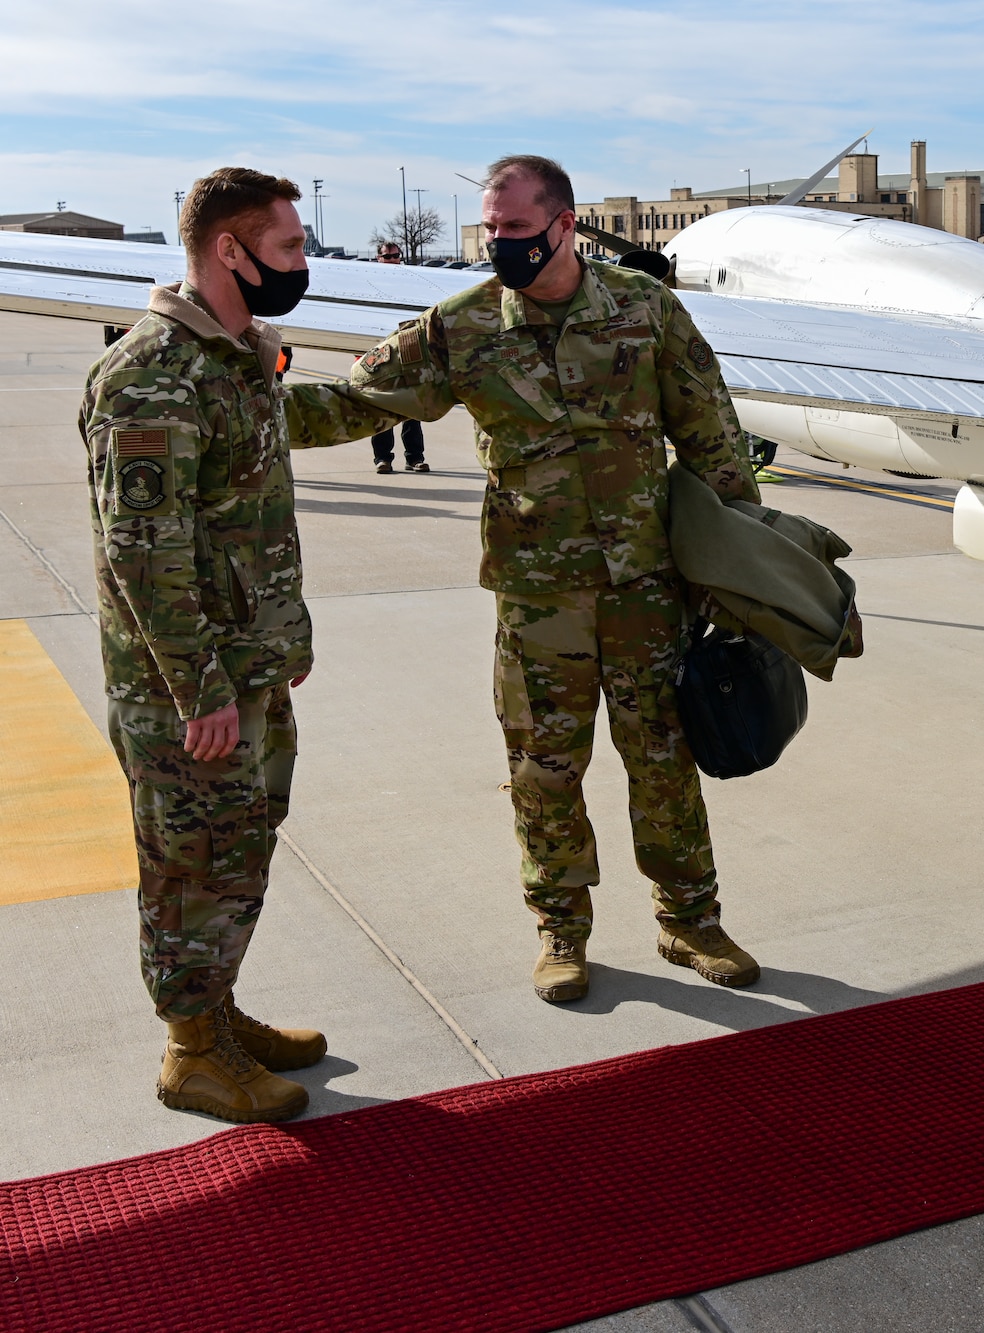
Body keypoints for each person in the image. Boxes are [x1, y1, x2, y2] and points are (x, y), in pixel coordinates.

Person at [298, 155, 765, 1005]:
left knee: (663, 758)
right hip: (538, 595)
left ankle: (689, 917)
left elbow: (713, 436)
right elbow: (357, 403)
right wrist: (233, 404)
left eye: (514, 228)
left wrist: (741, 567)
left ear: (563, 222)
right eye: (491, 229)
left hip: (648, 587)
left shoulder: (644, 309)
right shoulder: (463, 325)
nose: (499, 244)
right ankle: (560, 928)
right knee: (543, 767)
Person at [80, 168, 377, 1122]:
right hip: (188, 691)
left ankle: (214, 1009)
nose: (304, 261)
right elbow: (145, 558)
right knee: (190, 861)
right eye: (290, 246)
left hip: (246, 668)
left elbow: (264, 475)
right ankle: (190, 1052)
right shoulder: (152, 375)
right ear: (228, 251)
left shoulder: (237, 355)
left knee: (236, 852)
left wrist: (274, 646)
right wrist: (201, 687)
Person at [366, 243, 428, 474]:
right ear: (378, 258)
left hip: (407, 350)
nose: (392, 259)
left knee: (412, 410)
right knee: (381, 409)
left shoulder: (410, 282)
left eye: (396, 256)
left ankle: (414, 458)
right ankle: (382, 459)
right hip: (379, 354)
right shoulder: (370, 284)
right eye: (387, 256)